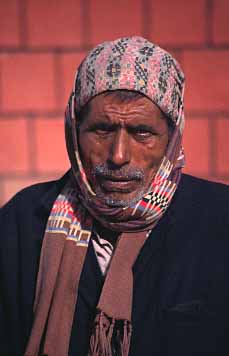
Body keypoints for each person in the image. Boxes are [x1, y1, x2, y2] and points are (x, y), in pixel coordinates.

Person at [0, 36, 229, 356]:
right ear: (74, 131)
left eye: (142, 132)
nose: (119, 155)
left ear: (172, 137)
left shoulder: (219, 223)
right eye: (101, 130)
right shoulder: (21, 225)